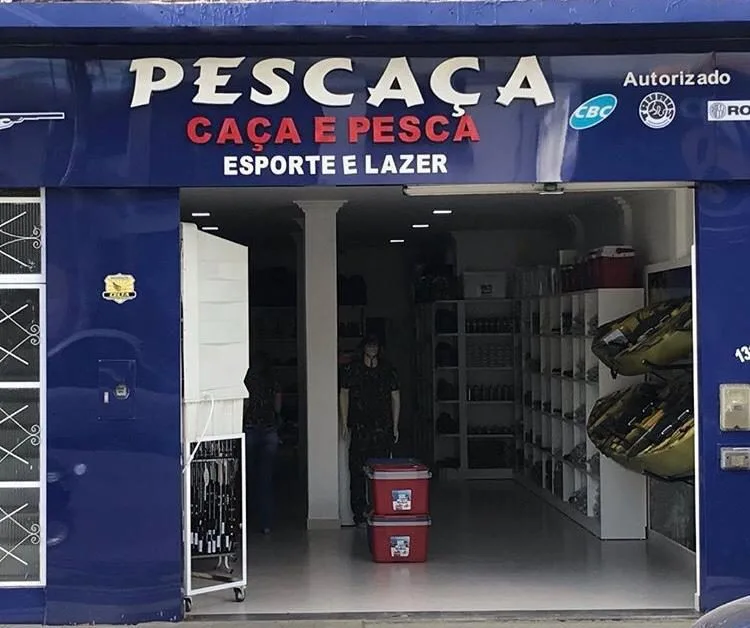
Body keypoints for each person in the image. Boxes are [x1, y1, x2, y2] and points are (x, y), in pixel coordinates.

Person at [339, 334, 400, 526]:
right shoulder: (352, 369)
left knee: (380, 473)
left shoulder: (388, 369)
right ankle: (359, 513)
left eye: (375, 346)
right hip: (360, 427)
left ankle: (380, 509)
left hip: (382, 427)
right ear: (363, 348)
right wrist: (344, 422)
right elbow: (344, 394)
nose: (372, 349)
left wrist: (395, 425)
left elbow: (396, 397)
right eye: (369, 346)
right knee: (357, 471)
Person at [243, 352, 282, 535]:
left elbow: (245, 404)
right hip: (269, 429)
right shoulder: (273, 380)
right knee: (266, 478)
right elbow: (278, 405)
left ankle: (245, 520)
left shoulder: (247, 380)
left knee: (247, 476)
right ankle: (266, 523)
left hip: (250, 428)